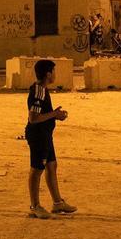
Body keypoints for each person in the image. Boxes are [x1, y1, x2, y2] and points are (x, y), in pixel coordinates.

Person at [25, 59, 75, 219]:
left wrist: (55, 114)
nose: (55, 74)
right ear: (48, 74)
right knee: (37, 169)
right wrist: (54, 114)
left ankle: (57, 203)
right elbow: (33, 118)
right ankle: (35, 206)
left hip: (45, 134)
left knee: (52, 165)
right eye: (54, 71)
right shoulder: (39, 91)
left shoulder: (43, 89)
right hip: (38, 135)